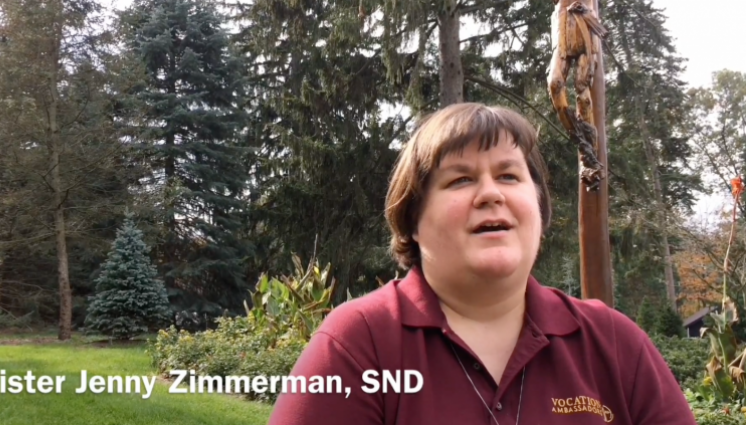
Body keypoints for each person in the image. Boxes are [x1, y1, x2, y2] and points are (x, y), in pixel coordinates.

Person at [267, 103, 696, 425]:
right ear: (412, 219)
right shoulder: (360, 344)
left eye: (509, 175)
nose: (491, 193)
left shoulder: (614, 343)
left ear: (538, 207)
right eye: (461, 179)